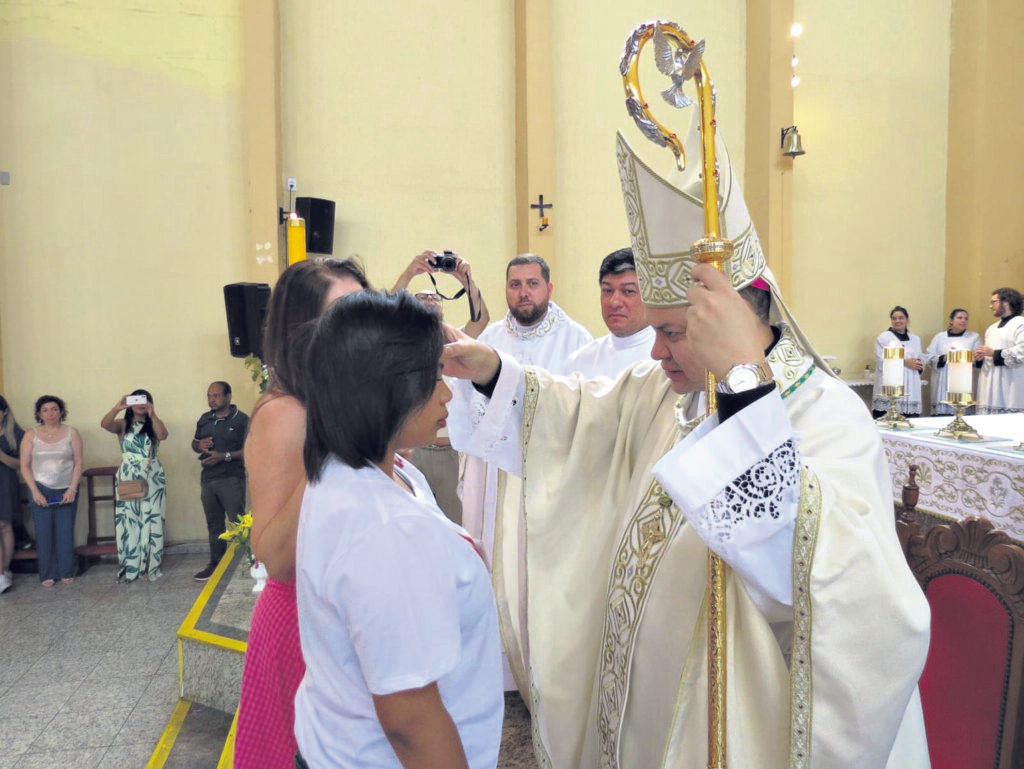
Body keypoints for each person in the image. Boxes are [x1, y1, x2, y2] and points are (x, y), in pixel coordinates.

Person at [440, 130, 930, 768]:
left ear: (727, 321)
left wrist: (744, 396)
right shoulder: (666, 391)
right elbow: (580, 416)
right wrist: (491, 370)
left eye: (672, 332)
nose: (656, 351)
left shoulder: (825, 415)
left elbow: (843, 596)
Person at [294, 290, 503, 768]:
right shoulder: (384, 528)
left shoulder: (359, 469)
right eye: (434, 379)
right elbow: (409, 720)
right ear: (385, 390)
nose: (449, 393)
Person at [235, 256, 369, 769]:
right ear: (303, 328)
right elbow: (275, 556)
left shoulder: (331, 401)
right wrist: (333, 443)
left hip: (340, 610)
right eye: (344, 311)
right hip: (300, 620)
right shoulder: (286, 414)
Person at [464, 253, 592, 565]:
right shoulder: (490, 338)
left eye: (532, 284)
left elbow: (582, 410)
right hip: (496, 471)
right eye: (515, 284)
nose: (524, 292)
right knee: (498, 553)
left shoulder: (577, 340)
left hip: (550, 470)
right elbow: (470, 401)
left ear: (549, 287)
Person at [100, 389, 169, 582]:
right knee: (128, 521)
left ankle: (150, 566)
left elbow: (163, 436)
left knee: (152, 520)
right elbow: (105, 424)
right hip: (128, 476)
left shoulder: (153, 423)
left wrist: (152, 414)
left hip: (152, 475)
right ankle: (130, 567)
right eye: (136, 400)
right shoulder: (123, 424)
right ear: (130, 403)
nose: (141, 403)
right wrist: (117, 407)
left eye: (145, 399)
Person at [19, 395, 84, 587]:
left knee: (65, 530)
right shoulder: (31, 435)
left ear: (61, 412)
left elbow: (79, 461)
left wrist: (72, 488)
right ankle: (47, 573)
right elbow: (25, 465)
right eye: (45, 410)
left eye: (54, 409)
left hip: (66, 486)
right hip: (39, 486)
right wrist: (34, 491)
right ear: (39, 414)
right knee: (43, 531)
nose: (50, 413)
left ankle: (66, 571)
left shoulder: (73, 433)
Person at [563, 247, 655, 378]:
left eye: (628, 291)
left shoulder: (667, 361)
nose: (614, 302)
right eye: (607, 291)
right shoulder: (579, 362)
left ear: (649, 295)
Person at [191, 381, 249, 581]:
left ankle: (246, 563)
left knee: (238, 523)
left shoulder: (241, 420)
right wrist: (200, 445)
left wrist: (223, 456)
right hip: (208, 479)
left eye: (216, 396)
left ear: (228, 396)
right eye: (209, 396)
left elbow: (250, 450)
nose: (211, 400)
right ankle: (216, 563)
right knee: (214, 524)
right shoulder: (205, 419)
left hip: (231, 478)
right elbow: (194, 443)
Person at [393, 250, 491, 338]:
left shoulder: (454, 341)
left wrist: (467, 281)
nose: (429, 299)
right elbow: (386, 315)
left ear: (442, 310)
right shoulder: (400, 338)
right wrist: (408, 274)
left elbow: (480, 321)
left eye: (435, 298)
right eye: (422, 297)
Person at [975, 286, 1024, 414]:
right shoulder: (991, 328)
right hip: (989, 383)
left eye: (993, 302)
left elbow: (1022, 352)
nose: (990, 306)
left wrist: (994, 353)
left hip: (1012, 384)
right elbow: (989, 355)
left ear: (1006, 302)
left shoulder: (1020, 324)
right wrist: (981, 358)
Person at [924, 308, 980, 415]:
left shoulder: (974, 337)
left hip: (963, 381)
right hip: (942, 381)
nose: (963, 320)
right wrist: (944, 358)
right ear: (951, 320)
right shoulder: (939, 337)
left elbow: (978, 358)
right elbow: (929, 356)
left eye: (966, 318)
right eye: (959, 318)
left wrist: (961, 357)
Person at [871, 306, 924, 418]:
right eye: (894, 318)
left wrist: (918, 364)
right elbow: (881, 360)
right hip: (890, 384)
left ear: (907, 320)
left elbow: (920, 358)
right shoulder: (884, 338)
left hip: (911, 385)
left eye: (901, 318)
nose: (897, 321)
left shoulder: (915, 339)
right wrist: (905, 362)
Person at [0, 395, 25, 594]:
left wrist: (1, 455)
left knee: (5, 525)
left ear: (5, 412)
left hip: (5, 481)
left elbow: (22, 464)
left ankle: (4, 571)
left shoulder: (15, 433)